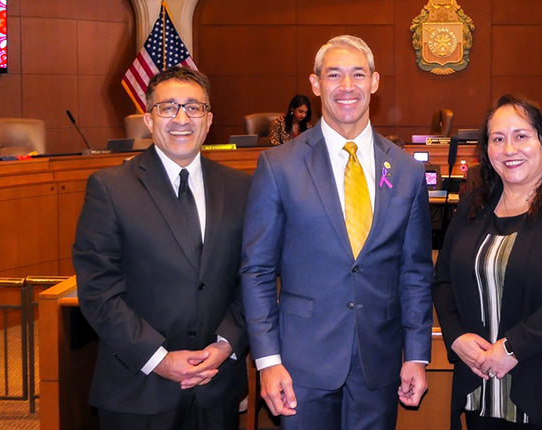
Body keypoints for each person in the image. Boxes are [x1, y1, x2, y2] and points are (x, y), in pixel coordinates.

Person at [240, 35, 433, 429]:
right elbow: (257, 270)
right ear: (315, 85)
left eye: (357, 74)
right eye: (334, 75)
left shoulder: (407, 171)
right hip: (299, 366)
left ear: (374, 82)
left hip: (378, 365)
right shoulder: (279, 166)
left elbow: (414, 272)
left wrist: (416, 354)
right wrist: (267, 360)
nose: (347, 87)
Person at [72, 66, 250, 430]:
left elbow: (252, 278)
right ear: (149, 120)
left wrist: (226, 344)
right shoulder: (110, 188)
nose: (181, 118)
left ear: (209, 119)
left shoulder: (241, 188)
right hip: (138, 388)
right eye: (168, 108)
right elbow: (98, 290)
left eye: (194, 108)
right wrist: (158, 358)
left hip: (215, 388)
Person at [433, 94, 542, 430]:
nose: (509, 149)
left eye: (521, 136)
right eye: (498, 139)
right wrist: (456, 336)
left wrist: (513, 349)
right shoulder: (474, 205)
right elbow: (443, 280)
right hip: (483, 393)